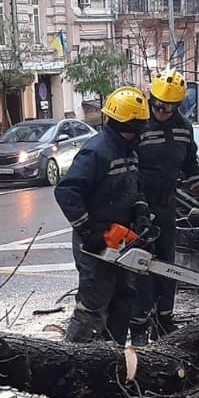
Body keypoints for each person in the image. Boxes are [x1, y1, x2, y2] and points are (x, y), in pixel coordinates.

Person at [54, 86, 151, 344]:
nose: (140, 133)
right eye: (138, 127)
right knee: (93, 304)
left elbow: (135, 186)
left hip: (122, 237)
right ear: (124, 124)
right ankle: (74, 356)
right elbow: (67, 191)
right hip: (96, 239)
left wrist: (141, 210)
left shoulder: (129, 150)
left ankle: (112, 354)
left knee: (124, 297)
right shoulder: (96, 151)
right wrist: (89, 231)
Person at [129, 68, 199, 345]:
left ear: (178, 105)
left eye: (168, 107)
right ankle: (138, 326)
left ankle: (164, 319)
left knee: (167, 264)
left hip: (166, 204)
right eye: (159, 106)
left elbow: (190, 166)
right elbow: (128, 166)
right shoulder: (139, 125)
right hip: (138, 205)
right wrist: (137, 205)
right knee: (140, 266)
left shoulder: (184, 128)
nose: (162, 112)